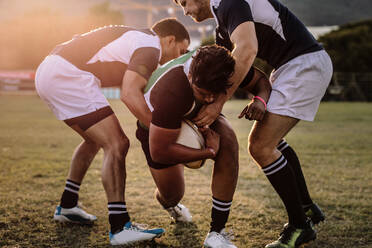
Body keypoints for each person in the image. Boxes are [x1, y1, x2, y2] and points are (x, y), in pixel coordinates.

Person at [173, 0, 333, 247]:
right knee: (271, 142)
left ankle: (300, 225)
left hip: (303, 64)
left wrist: (217, 106)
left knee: (260, 146)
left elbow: (247, 50)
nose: (185, 11)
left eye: (184, 2)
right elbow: (223, 72)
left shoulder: (229, 3)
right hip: (291, 66)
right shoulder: (221, 26)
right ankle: (307, 208)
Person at [35, 18, 190, 246]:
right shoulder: (151, 46)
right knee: (117, 144)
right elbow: (129, 94)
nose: (179, 56)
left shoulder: (139, 40)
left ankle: (67, 205)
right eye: (181, 50)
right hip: (66, 74)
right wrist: (162, 132)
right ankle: (119, 227)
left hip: (52, 70)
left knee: (93, 140)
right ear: (169, 40)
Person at [122, 45, 271, 248]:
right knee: (173, 195)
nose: (210, 99)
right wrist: (208, 152)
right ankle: (169, 203)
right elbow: (160, 152)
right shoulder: (172, 90)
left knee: (228, 139)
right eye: (203, 93)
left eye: (215, 94)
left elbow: (262, 82)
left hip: (192, 115)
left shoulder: (222, 68)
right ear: (191, 75)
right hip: (156, 129)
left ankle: (216, 233)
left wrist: (260, 100)